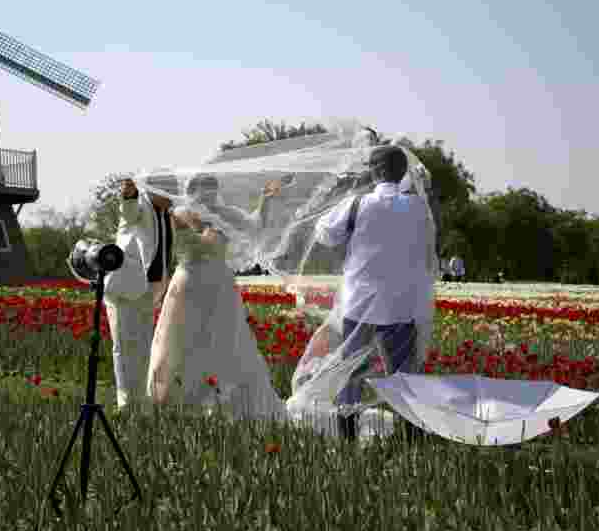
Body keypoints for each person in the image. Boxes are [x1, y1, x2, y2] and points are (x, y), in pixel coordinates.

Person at [293, 145, 435, 441]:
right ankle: (412, 435)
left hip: (361, 301)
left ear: (376, 171)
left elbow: (325, 234)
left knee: (351, 368)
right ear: (401, 172)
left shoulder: (358, 205)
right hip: (402, 302)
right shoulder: (419, 206)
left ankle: (348, 431)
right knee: (403, 374)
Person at [145, 174, 287, 421]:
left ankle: (225, 397)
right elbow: (176, 249)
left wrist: (266, 200)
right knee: (183, 339)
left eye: (212, 191)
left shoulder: (225, 213)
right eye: (203, 192)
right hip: (188, 286)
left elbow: (255, 226)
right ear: (192, 192)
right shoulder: (178, 215)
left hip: (220, 286)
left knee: (224, 339)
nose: (207, 197)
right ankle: (176, 397)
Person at [102, 177, 174, 410]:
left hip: (149, 290)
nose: (172, 196)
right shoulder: (141, 207)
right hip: (125, 288)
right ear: (153, 191)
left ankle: (143, 400)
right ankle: (126, 404)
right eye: (168, 191)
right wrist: (129, 195)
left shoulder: (166, 215)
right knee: (123, 347)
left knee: (144, 347)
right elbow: (129, 212)